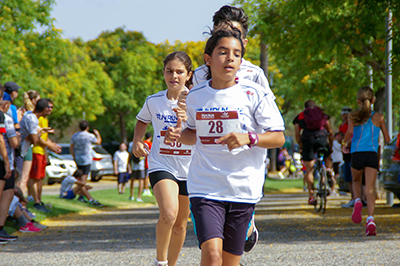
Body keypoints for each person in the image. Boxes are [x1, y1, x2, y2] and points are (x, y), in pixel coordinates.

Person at [165, 28, 285, 266]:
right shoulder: (195, 95)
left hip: (243, 187)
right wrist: (179, 135)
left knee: (229, 262)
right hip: (205, 185)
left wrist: (249, 138)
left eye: (237, 54)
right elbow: (192, 134)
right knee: (211, 254)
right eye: (223, 52)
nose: (230, 58)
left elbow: (278, 137)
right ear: (208, 59)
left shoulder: (255, 94)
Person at [132, 51, 193, 266]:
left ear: (188, 75)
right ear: (163, 73)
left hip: (190, 168)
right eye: (169, 71)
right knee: (168, 213)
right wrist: (137, 141)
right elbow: (142, 120)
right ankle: (160, 262)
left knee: (180, 225)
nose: (174, 76)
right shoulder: (154, 101)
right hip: (162, 163)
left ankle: (172, 264)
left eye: (179, 72)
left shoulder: (198, 100)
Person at [343, 86, 390, 236]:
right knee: (369, 189)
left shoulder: (353, 116)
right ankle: (370, 219)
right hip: (371, 154)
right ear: (373, 100)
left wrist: (344, 144)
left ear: (358, 101)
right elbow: (388, 139)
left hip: (356, 154)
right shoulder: (379, 117)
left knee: (356, 181)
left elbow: (350, 133)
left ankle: (357, 201)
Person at [293, 99, 333, 205]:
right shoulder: (322, 114)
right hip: (322, 139)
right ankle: (328, 171)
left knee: (309, 169)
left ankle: (311, 196)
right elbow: (330, 131)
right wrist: (331, 145)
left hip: (308, 140)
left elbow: (297, 134)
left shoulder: (301, 116)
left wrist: (301, 146)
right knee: (327, 157)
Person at [19, 98, 52, 212]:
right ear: (44, 109)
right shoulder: (32, 119)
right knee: (23, 179)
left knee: (23, 179)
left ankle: (21, 206)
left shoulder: (30, 116)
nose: (50, 110)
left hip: (25, 149)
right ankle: (21, 206)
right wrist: (38, 134)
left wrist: (39, 131)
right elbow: (33, 139)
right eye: (49, 107)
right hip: (22, 150)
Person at [28, 99, 61, 210]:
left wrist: (53, 145)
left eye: (52, 107)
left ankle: (39, 200)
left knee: (41, 178)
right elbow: (38, 139)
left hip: (42, 152)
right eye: (49, 107)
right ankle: (35, 201)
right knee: (34, 177)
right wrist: (50, 146)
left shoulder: (45, 120)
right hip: (36, 150)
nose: (50, 109)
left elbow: (45, 138)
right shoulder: (39, 119)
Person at [16, 90, 41, 197]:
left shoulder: (34, 114)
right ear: (34, 100)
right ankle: (18, 204)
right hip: (21, 147)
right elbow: (17, 128)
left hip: (28, 147)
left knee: (25, 178)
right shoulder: (23, 112)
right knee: (20, 178)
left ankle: (23, 203)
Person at [339, 106, 355, 208]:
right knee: (348, 177)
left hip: (354, 151)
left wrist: (346, 143)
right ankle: (353, 198)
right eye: (344, 115)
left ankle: (358, 198)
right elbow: (341, 137)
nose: (345, 117)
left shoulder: (354, 124)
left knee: (356, 177)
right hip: (346, 154)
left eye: (347, 115)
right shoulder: (342, 126)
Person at [330, 132, 343, 196]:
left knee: (334, 175)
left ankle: (333, 188)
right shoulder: (338, 143)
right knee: (337, 175)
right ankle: (335, 187)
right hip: (340, 159)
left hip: (334, 159)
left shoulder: (332, 143)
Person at [142, 132, 153, 196]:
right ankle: (146, 189)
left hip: (141, 161)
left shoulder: (142, 143)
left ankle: (145, 188)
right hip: (148, 162)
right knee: (147, 177)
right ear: (150, 137)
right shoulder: (150, 144)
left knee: (144, 177)